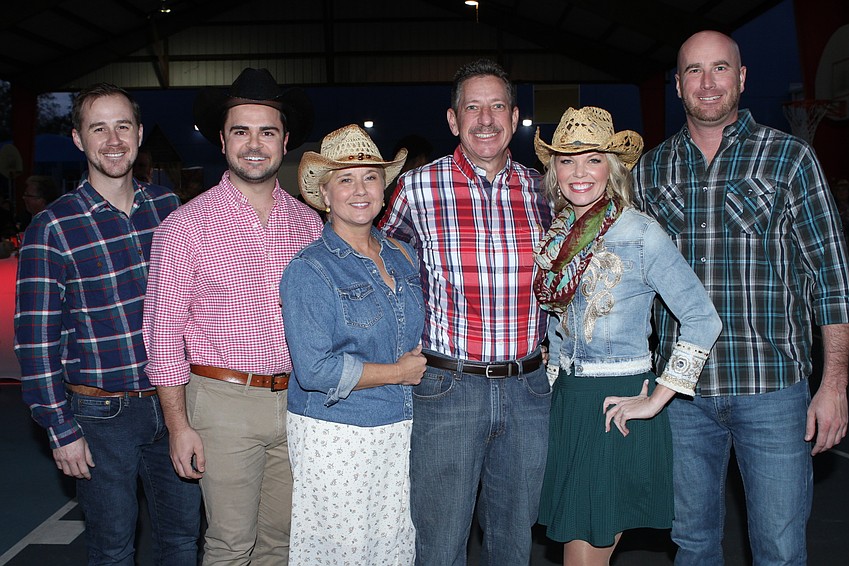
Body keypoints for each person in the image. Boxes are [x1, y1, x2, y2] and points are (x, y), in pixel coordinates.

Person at [633, 30, 849, 565]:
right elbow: (629, 285)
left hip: (772, 389)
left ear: (742, 77)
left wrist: (835, 385)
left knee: (779, 548)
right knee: (692, 544)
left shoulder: (790, 159)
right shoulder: (649, 171)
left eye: (720, 68)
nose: (707, 83)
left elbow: (832, 279)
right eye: (693, 71)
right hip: (679, 395)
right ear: (678, 85)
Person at [14, 83, 200, 565]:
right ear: (79, 139)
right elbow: (36, 343)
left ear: (139, 134)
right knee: (112, 548)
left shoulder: (169, 209)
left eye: (123, 127)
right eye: (99, 128)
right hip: (101, 417)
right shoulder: (53, 227)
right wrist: (60, 428)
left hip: (177, 405)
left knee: (182, 540)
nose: (113, 140)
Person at [142, 68, 322, 565]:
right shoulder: (185, 226)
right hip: (222, 403)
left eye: (267, 131)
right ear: (222, 141)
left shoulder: (309, 224)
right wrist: (178, 426)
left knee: (283, 544)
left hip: (299, 403)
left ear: (285, 141)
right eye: (241, 131)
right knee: (228, 543)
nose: (254, 144)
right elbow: (162, 336)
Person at [380, 58, 553, 566]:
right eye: (471, 107)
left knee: (513, 543)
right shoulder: (416, 189)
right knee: (439, 543)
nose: (485, 119)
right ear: (453, 121)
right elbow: (378, 265)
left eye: (497, 106)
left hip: (528, 390)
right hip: (447, 389)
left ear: (515, 115)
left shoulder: (543, 190)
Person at [532, 106, 721, 565]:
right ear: (554, 171)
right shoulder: (558, 234)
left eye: (593, 159)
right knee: (576, 548)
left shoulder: (639, 232)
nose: (579, 172)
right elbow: (559, 322)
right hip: (570, 401)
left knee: (586, 554)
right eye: (567, 160)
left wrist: (658, 396)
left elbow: (702, 318)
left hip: (615, 402)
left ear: (612, 168)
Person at [280, 124, 426, 565]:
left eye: (370, 177)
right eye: (345, 179)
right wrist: (399, 374)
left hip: (400, 428)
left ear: (384, 188)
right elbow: (315, 370)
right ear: (325, 195)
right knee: (343, 552)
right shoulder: (309, 269)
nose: (360, 189)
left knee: (395, 548)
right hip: (337, 433)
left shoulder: (403, 255)